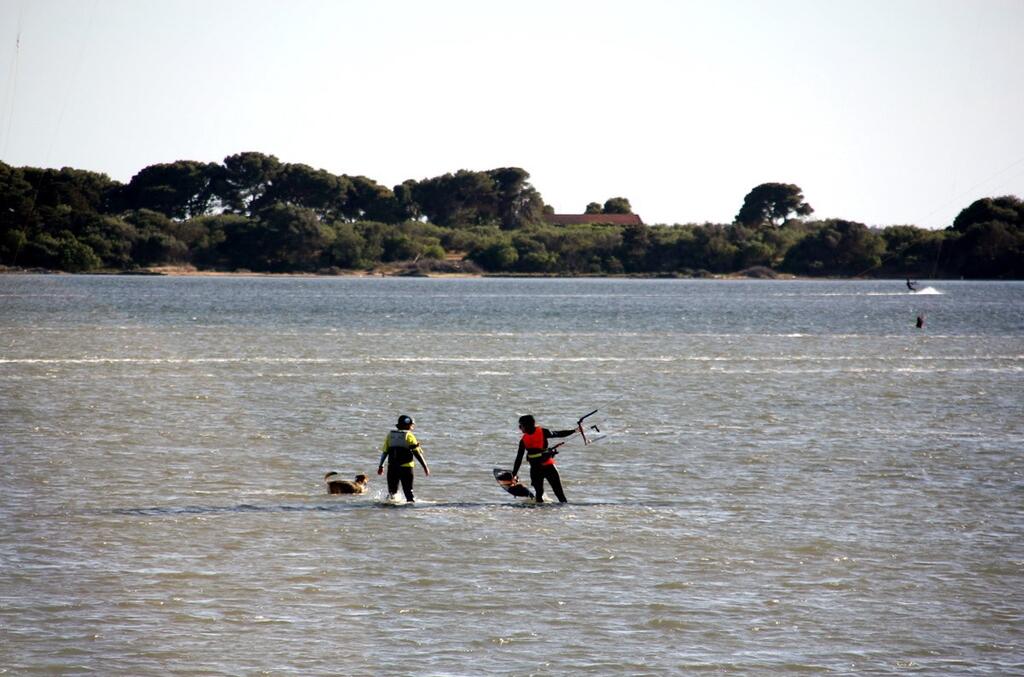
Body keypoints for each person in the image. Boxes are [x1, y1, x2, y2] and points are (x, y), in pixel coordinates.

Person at [511, 414, 577, 503]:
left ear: (527, 425)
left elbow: (558, 434)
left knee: (559, 493)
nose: (520, 428)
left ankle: (564, 510)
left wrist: (574, 431)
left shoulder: (543, 432)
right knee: (539, 495)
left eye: (520, 426)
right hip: (535, 470)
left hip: (548, 467)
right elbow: (518, 458)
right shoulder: (523, 441)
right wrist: (514, 474)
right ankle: (540, 514)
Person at [377, 414, 430, 502]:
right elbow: (416, 453)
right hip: (406, 468)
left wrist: (381, 466)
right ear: (407, 425)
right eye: (411, 425)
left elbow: (385, 452)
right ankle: (409, 510)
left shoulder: (390, 435)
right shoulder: (409, 436)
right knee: (408, 493)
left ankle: (389, 510)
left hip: (392, 467)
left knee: (392, 492)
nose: (412, 427)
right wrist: (425, 467)